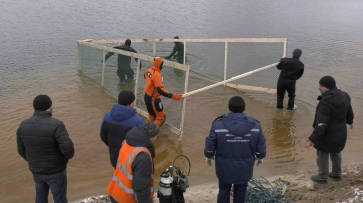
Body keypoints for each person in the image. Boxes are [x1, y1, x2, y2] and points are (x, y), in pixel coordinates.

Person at [204, 96, 267, 203]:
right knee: (241, 191)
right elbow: (261, 148)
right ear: (244, 108)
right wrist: (261, 157)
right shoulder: (256, 125)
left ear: (229, 108)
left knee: (224, 190)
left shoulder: (217, 125)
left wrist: (208, 156)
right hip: (245, 167)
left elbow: (210, 146)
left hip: (224, 167)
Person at [16, 95, 74, 203]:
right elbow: (68, 149)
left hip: (36, 170)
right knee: (60, 198)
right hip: (55, 170)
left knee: (40, 196)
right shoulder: (57, 124)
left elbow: (21, 150)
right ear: (49, 107)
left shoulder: (23, 125)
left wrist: (33, 161)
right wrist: (63, 161)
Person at [305, 76, 354, 184]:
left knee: (322, 155)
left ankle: (322, 177)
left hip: (328, 134)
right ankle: (337, 174)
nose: (319, 88)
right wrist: (350, 121)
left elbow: (322, 125)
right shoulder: (344, 95)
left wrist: (312, 139)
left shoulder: (325, 103)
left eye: (321, 86)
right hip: (341, 132)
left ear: (327, 87)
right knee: (336, 152)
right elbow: (349, 111)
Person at [107, 121, 160, 203]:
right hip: (126, 199)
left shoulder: (127, 142)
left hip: (115, 192)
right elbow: (142, 190)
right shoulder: (143, 157)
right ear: (153, 137)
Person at [100, 90, 144, 169]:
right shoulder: (138, 121)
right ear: (131, 105)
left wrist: (112, 146)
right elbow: (144, 142)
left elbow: (103, 135)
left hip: (114, 158)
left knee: (119, 176)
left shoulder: (107, 117)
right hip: (131, 159)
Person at [144, 57, 183, 127]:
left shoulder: (148, 71)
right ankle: (151, 133)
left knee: (152, 115)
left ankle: (146, 129)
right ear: (160, 65)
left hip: (147, 97)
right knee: (161, 118)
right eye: (162, 64)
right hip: (154, 99)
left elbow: (145, 77)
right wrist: (173, 96)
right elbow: (160, 90)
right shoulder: (157, 75)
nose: (162, 66)